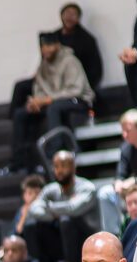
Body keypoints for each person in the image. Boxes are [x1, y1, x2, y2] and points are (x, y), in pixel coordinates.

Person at [8, 32, 94, 174]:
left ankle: (54, 152)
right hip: (52, 102)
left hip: (78, 101)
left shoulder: (70, 61)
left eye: (49, 45)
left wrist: (48, 99)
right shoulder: (43, 65)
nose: (46, 49)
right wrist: (36, 102)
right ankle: (17, 162)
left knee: (54, 107)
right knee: (20, 114)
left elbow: (76, 89)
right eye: (43, 46)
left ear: (57, 45)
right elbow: (39, 87)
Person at [23, 151, 100, 262]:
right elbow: (34, 209)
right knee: (30, 225)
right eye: (56, 166)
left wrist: (50, 208)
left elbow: (73, 209)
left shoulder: (87, 188)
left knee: (66, 219)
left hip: (87, 240)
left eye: (63, 166)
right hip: (63, 241)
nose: (59, 170)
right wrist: (57, 212)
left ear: (73, 167)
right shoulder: (50, 189)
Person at [56, 2, 103, 93]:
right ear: (61, 15)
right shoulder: (53, 37)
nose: (69, 17)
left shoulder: (87, 39)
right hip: (54, 80)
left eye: (73, 15)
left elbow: (95, 70)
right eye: (67, 13)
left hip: (76, 82)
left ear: (78, 19)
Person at [12, 175, 47, 244]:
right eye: (30, 193)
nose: (33, 197)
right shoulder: (22, 211)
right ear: (24, 195)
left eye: (37, 193)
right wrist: (24, 215)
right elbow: (17, 233)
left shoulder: (47, 208)